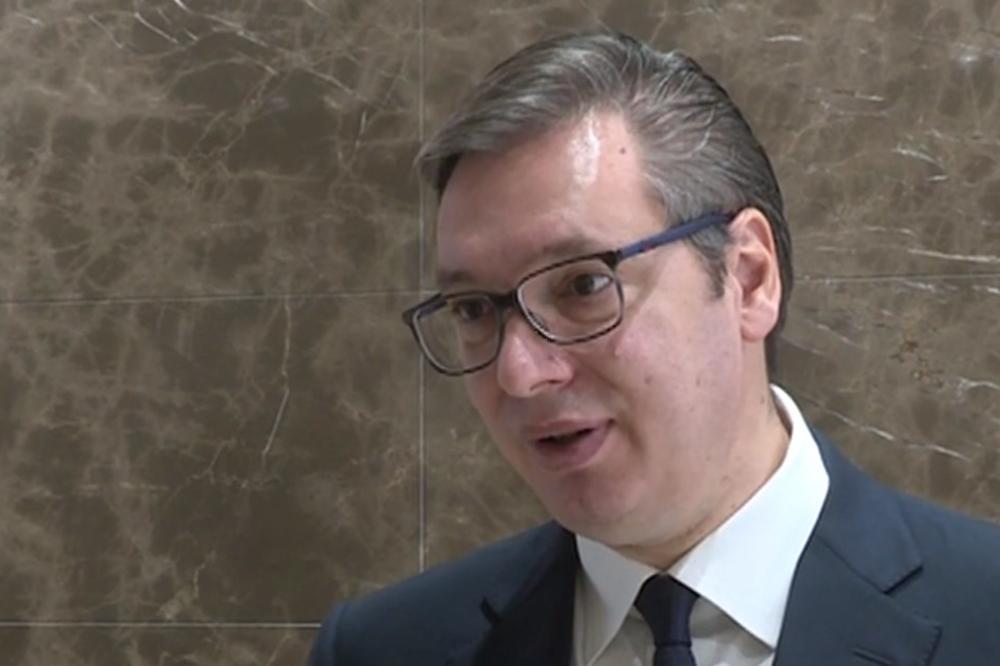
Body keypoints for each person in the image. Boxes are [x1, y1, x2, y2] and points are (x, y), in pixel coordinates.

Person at [309, 30, 1000, 666]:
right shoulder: (382, 651)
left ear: (748, 278)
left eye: (583, 285)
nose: (518, 372)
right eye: (473, 309)